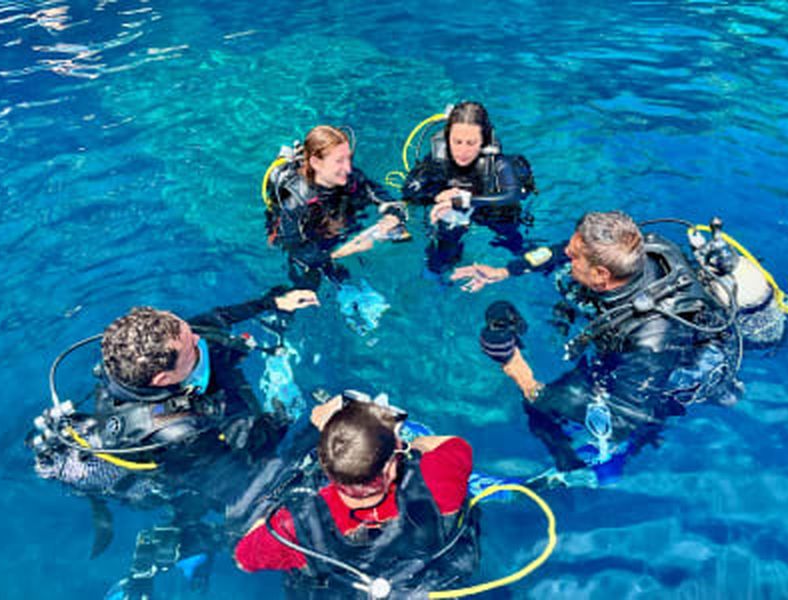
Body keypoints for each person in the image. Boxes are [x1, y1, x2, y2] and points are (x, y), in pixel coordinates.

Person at [27, 287, 319, 597]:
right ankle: (190, 544)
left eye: (187, 331)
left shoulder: (139, 357)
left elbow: (211, 320)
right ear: (162, 380)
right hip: (175, 473)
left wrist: (271, 303)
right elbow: (241, 487)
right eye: (191, 344)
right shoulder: (180, 432)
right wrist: (310, 429)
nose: (197, 338)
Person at [453, 211, 742, 485]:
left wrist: (522, 375)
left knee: (540, 407)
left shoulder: (652, 340)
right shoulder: (640, 250)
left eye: (574, 255)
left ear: (602, 275)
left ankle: (589, 469)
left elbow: (623, 419)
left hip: (675, 374)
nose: (565, 252)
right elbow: (562, 253)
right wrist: (505, 271)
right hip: (640, 345)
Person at [234, 393, 479, 599]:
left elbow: (243, 560)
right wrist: (410, 445)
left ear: (326, 467)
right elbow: (448, 444)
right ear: (390, 467)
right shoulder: (438, 476)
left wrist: (331, 434)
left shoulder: (294, 526)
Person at [266, 125, 409, 290]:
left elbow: (381, 196)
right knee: (314, 281)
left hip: (335, 219)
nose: (348, 168)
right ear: (316, 163)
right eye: (339, 161)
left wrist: (392, 215)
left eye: (349, 158)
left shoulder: (350, 178)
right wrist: (342, 252)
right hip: (308, 237)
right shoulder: (294, 201)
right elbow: (294, 249)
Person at [402, 101, 537, 274]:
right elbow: (409, 190)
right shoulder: (439, 159)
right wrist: (437, 196)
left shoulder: (498, 163)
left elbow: (512, 194)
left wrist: (463, 201)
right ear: (447, 137)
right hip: (457, 210)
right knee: (441, 250)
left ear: (484, 141)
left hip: (491, 210)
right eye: (457, 142)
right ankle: (442, 274)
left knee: (513, 240)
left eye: (471, 143)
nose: (462, 151)